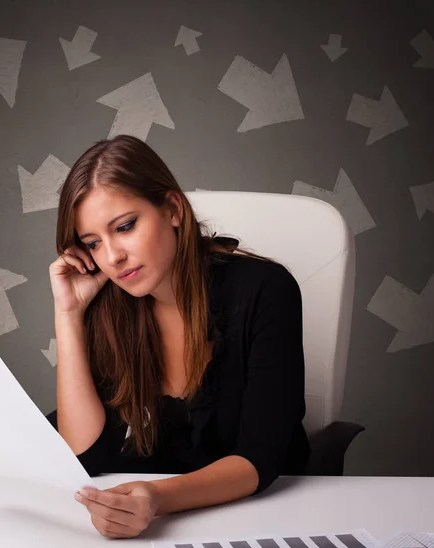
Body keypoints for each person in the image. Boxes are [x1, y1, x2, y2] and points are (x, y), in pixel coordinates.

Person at [46, 134, 311, 539]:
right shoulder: (110, 305)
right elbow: (85, 452)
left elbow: (259, 457)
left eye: (125, 227)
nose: (112, 257)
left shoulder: (265, 290)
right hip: (158, 531)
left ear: (172, 209)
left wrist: (155, 498)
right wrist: (68, 314)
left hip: (267, 521)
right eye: (93, 243)